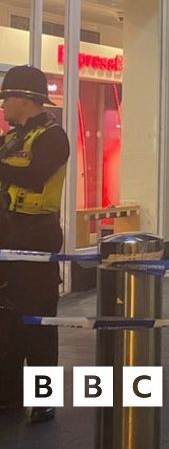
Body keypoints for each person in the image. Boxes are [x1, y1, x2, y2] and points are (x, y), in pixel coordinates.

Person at [0, 65, 70, 424]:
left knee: (38, 321)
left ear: (26, 99)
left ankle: (43, 399)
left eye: (6, 98)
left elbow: (34, 175)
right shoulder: (11, 137)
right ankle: (8, 394)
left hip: (35, 235)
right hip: (6, 234)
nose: (3, 106)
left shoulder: (53, 137)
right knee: (7, 319)